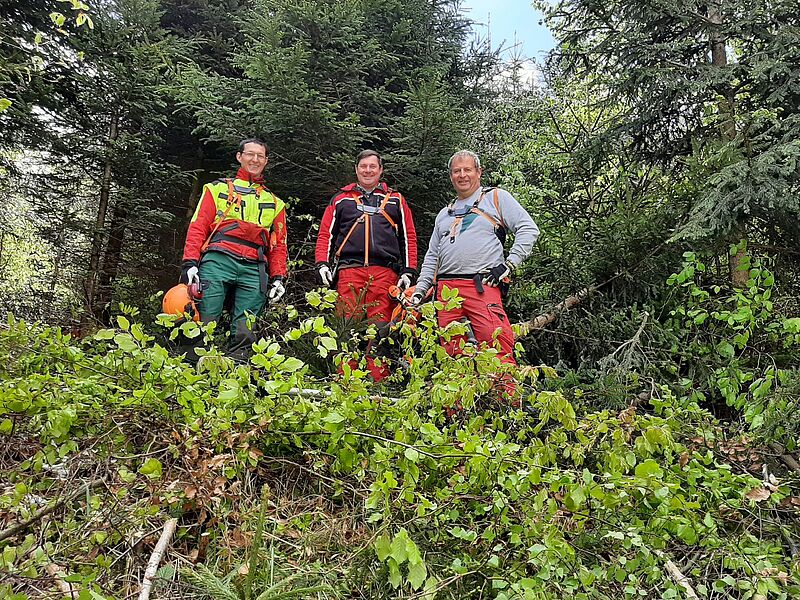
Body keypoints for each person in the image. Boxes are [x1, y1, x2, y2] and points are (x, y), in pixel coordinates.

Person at [412, 150, 539, 386]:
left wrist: (509, 264)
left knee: (497, 345)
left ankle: (506, 406)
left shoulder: (496, 198)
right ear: (451, 176)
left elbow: (528, 229)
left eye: (467, 169)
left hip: (482, 286)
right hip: (445, 293)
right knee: (452, 353)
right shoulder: (444, 213)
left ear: (478, 172)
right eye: (457, 171)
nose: (462, 175)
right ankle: (458, 412)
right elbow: (432, 255)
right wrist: (421, 289)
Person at [315, 149, 418, 379]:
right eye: (364, 166)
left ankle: (377, 381)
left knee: (380, 330)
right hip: (349, 271)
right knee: (347, 326)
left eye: (373, 166)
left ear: (381, 171)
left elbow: (408, 237)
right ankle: (346, 381)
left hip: (385, 273)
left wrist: (409, 270)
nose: (368, 170)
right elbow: (325, 235)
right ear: (356, 170)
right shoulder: (341, 199)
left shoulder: (396, 200)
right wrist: (322, 263)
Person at [180, 138, 288, 352]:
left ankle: (237, 375)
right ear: (239, 157)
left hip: (254, 267)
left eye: (260, 156)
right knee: (203, 318)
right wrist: (190, 263)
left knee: (245, 328)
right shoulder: (216, 189)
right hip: (218, 259)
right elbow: (198, 226)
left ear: (266, 161)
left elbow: (279, 246)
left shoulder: (276, 203)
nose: (254, 159)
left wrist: (278, 277)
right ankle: (190, 372)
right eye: (250, 154)